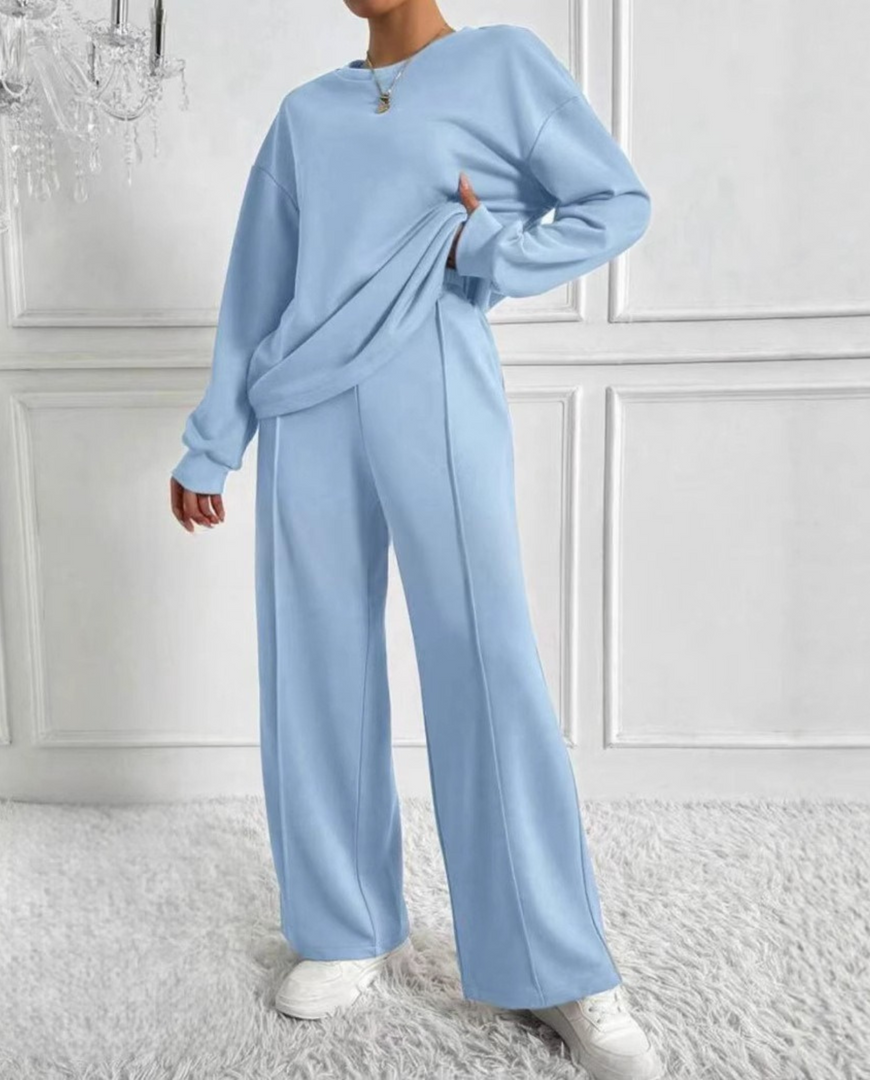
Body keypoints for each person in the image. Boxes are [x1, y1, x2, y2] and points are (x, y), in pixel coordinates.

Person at [169, 3, 661, 1078]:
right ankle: (341, 926)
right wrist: (213, 442)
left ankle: (555, 960)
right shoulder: (307, 113)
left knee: (485, 657)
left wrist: (488, 248)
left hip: (433, 374)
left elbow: (616, 202)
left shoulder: (503, 65)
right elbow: (257, 285)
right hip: (303, 403)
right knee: (314, 666)